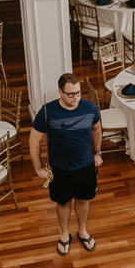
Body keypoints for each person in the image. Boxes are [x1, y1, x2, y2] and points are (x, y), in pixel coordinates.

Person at [29, 73, 103, 256]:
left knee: (83, 199)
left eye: (78, 93)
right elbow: (33, 141)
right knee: (63, 203)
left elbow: (97, 129)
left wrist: (98, 152)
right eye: (71, 94)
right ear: (60, 92)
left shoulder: (89, 107)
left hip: (85, 165)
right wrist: (38, 168)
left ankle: (82, 231)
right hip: (60, 169)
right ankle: (64, 234)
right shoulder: (47, 111)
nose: (76, 98)